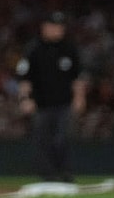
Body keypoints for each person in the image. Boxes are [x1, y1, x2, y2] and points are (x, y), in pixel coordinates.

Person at [16, 11, 87, 183]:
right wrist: (25, 99)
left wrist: (79, 98)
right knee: (42, 140)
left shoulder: (69, 48)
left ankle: (65, 172)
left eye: (60, 27)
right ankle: (47, 175)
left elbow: (77, 77)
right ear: (45, 27)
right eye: (54, 26)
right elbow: (25, 78)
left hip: (64, 103)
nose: (58, 30)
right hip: (41, 105)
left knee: (62, 139)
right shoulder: (33, 49)